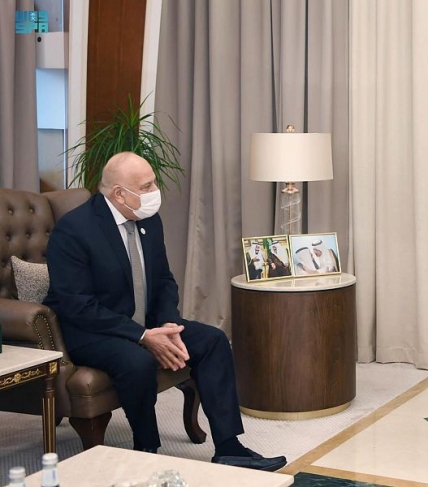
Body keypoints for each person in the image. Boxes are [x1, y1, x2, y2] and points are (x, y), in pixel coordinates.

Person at [43, 152, 286, 471]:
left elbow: (163, 280)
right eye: (146, 186)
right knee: (137, 361)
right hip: (91, 331)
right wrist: (143, 335)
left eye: (153, 182)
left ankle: (229, 447)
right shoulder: (75, 229)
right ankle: (146, 450)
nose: (155, 191)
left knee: (212, 341)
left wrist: (169, 324)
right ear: (119, 193)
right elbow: (77, 305)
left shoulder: (147, 219)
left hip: (146, 323)